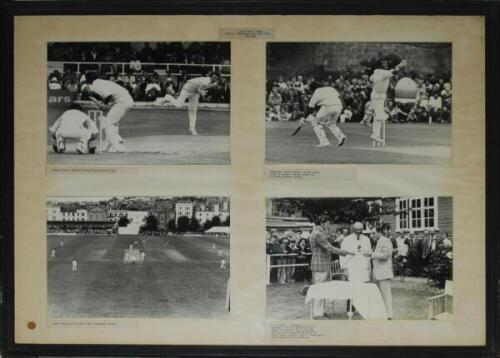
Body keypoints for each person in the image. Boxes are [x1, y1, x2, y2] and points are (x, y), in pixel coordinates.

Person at [309, 215, 352, 318]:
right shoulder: (317, 234)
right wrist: (345, 252)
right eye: (328, 223)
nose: (329, 225)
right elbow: (330, 247)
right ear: (322, 223)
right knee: (319, 288)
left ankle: (320, 311)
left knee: (321, 288)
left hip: (322, 264)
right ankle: (317, 313)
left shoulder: (318, 232)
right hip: (320, 265)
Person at [83, 70, 134, 152]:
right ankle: (108, 146)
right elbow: (109, 96)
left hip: (122, 102)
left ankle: (117, 144)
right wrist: (103, 104)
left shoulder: (95, 85)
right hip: (126, 100)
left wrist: (103, 105)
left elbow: (108, 96)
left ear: (89, 79)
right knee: (113, 124)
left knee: (107, 123)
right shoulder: (101, 82)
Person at [155, 72, 221, 135]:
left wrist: (212, 86)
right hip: (188, 89)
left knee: (193, 110)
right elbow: (199, 89)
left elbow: (203, 88)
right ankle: (168, 97)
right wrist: (203, 94)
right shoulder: (205, 81)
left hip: (194, 92)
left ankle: (192, 129)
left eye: (216, 78)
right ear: (211, 76)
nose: (214, 79)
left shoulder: (212, 82)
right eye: (213, 77)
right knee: (178, 105)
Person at [369, 57, 407, 143]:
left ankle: (375, 135)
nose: (385, 65)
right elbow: (395, 71)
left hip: (382, 95)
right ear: (380, 65)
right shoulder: (382, 72)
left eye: (386, 63)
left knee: (378, 116)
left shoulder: (376, 72)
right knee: (381, 116)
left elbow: (371, 79)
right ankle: (374, 134)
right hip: (376, 96)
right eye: (383, 63)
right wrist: (401, 65)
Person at [299, 81, 347, 147]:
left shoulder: (316, 93)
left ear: (313, 89)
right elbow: (340, 98)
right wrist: (345, 109)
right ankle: (341, 136)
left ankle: (324, 141)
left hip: (328, 106)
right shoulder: (330, 88)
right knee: (331, 123)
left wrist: (303, 118)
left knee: (315, 122)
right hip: (339, 106)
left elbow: (310, 108)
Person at [370, 226, 394, 319]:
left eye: (373, 233)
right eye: (371, 233)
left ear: (380, 232)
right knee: (378, 295)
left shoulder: (386, 241)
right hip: (377, 272)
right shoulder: (376, 242)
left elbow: (386, 256)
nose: (371, 235)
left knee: (386, 295)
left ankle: (389, 315)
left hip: (384, 273)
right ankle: (381, 313)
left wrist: (372, 254)